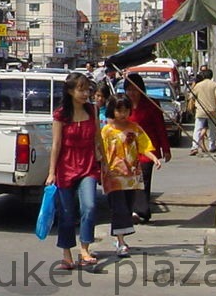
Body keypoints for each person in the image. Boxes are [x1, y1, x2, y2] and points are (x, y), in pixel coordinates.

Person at [46, 72, 103, 270]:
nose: (85, 93)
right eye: (80, 89)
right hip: (66, 168)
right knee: (67, 213)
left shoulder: (92, 110)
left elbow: (98, 138)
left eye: (87, 88)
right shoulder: (61, 114)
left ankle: (85, 250)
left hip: (88, 167)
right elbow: (56, 144)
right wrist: (52, 172)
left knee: (89, 206)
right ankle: (67, 254)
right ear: (70, 91)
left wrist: (104, 162)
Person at [101, 95, 162, 257]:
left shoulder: (134, 128)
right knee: (118, 208)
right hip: (113, 176)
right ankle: (121, 242)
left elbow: (144, 145)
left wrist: (154, 157)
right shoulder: (106, 131)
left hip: (131, 176)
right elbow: (99, 152)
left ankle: (119, 238)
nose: (123, 114)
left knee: (128, 207)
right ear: (112, 110)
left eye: (126, 110)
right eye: (119, 110)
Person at [124, 73, 172, 222]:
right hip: (127, 150)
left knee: (143, 178)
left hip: (148, 149)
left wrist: (166, 149)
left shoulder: (152, 104)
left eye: (135, 89)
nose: (132, 93)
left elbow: (160, 128)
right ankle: (133, 209)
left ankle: (139, 211)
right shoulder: (123, 105)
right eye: (129, 89)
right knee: (130, 180)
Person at [188, 69, 216, 155]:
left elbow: (191, 97)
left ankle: (194, 147)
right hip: (212, 111)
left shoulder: (198, 85)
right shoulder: (215, 85)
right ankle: (212, 146)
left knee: (197, 129)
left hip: (200, 111)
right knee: (212, 129)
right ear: (211, 76)